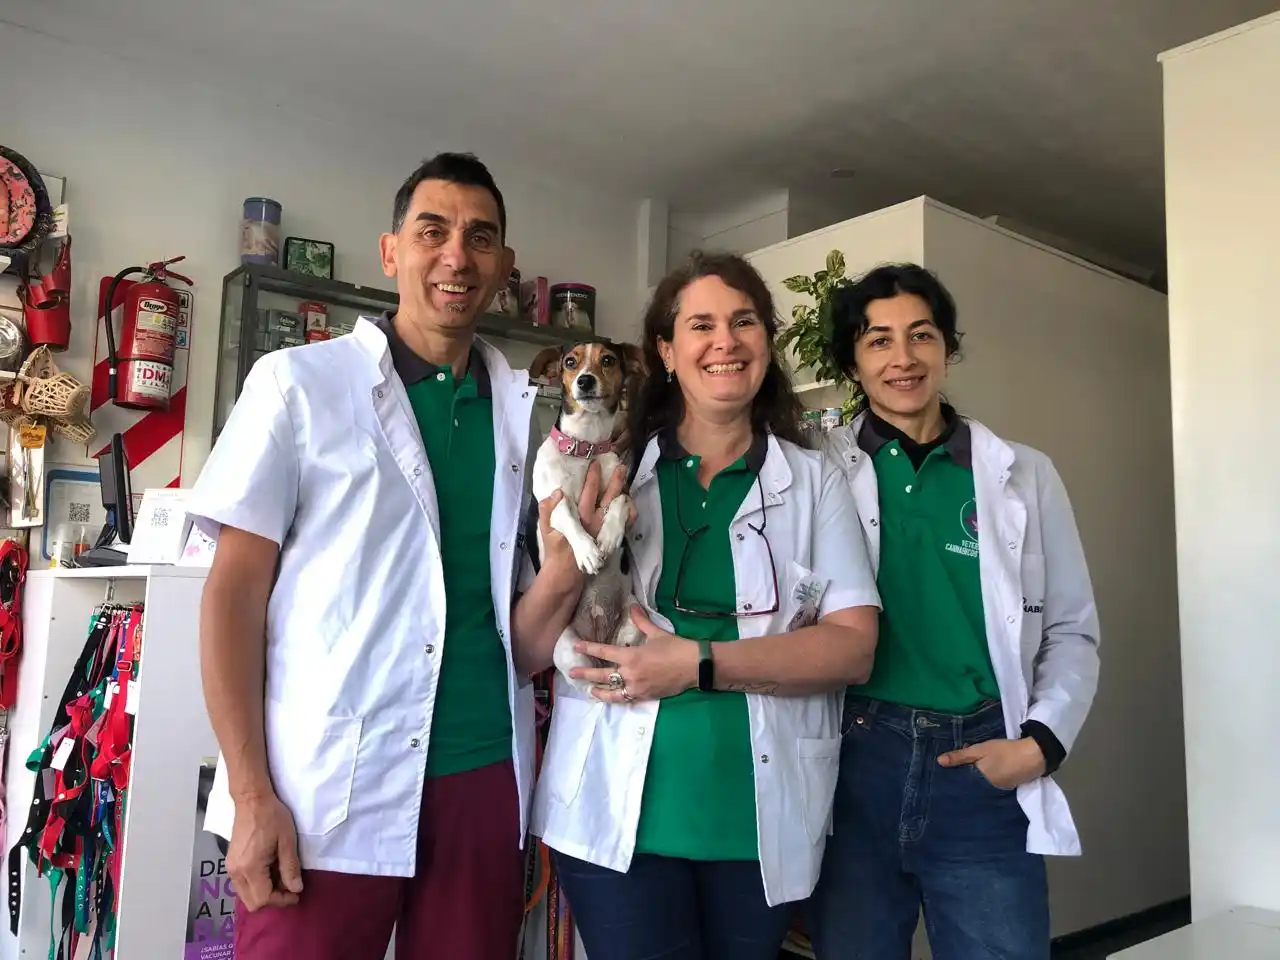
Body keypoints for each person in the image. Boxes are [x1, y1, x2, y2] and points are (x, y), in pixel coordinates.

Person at [188, 152, 624, 960]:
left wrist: (570, 567)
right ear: (392, 251)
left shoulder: (525, 418)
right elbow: (230, 599)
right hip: (324, 792)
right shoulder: (297, 383)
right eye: (434, 231)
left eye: (480, 238)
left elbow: (518, 646)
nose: (457, 255)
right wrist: (250, 795)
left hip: (481, 782)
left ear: (503, 266)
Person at [529, 251, 882, 960]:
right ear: (664, 352)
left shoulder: (814, 481)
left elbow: (854, 647)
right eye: (701, 325)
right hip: (611, 810)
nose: (725, 341)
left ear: (766, 342)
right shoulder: (608, 471)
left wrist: (698, 664)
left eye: (744, 321)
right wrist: (565, 571)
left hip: (759, 823)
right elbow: (529, 646)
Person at [808, 263, 1101, 960]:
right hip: (855, 759)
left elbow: (1072, 628)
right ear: (853, 359)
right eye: (878, 341)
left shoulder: (1022, 474)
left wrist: (1039, 744)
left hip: (979, 764)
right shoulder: (818, 468)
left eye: (921, 336)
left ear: (947, 347)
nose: (902, 359)